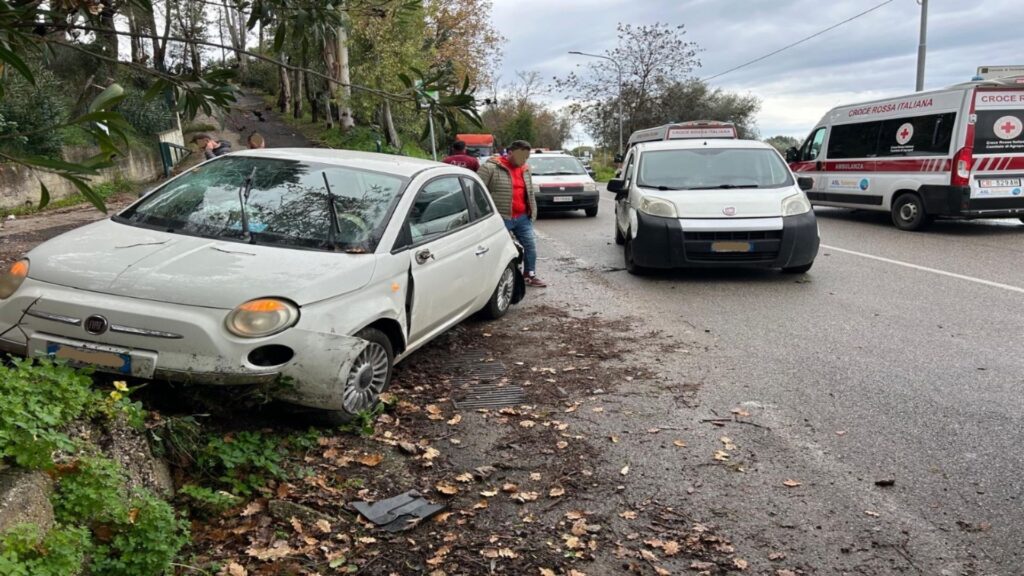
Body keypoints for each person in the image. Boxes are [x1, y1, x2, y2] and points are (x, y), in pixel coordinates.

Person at [477, 140, 546, 287]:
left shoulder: (526, 169)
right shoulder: (490, 168)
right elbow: (477, 193)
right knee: (497, 250)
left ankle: (529, 274)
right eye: (521, 156)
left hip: (522, 217)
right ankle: (492, 281)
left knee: (530, 246)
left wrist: (532, 211)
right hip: (500, 218)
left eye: (526, 157)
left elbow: (529, 192)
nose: (524, 160)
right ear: (509, 153)